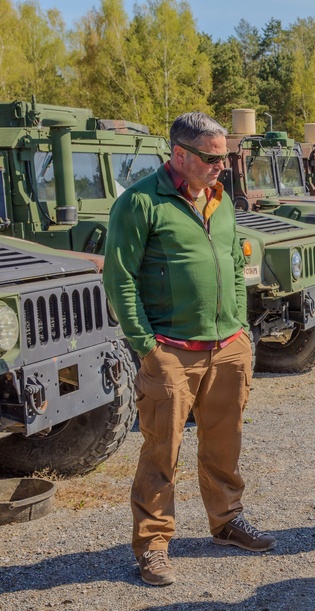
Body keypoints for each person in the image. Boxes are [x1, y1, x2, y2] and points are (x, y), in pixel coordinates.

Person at [104, 112, 275, 587]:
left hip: (227, 347)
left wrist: (240, 329)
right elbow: (119, 280)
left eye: (226, 157)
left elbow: (235, 265)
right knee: (162, 450)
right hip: (171, 351)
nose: (222, 166)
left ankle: (226, 522)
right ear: (179, 154)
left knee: (225, 442)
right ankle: (154, 545)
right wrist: (146, 347)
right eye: (212, 158)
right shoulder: (140, 203)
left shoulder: (222, 202)